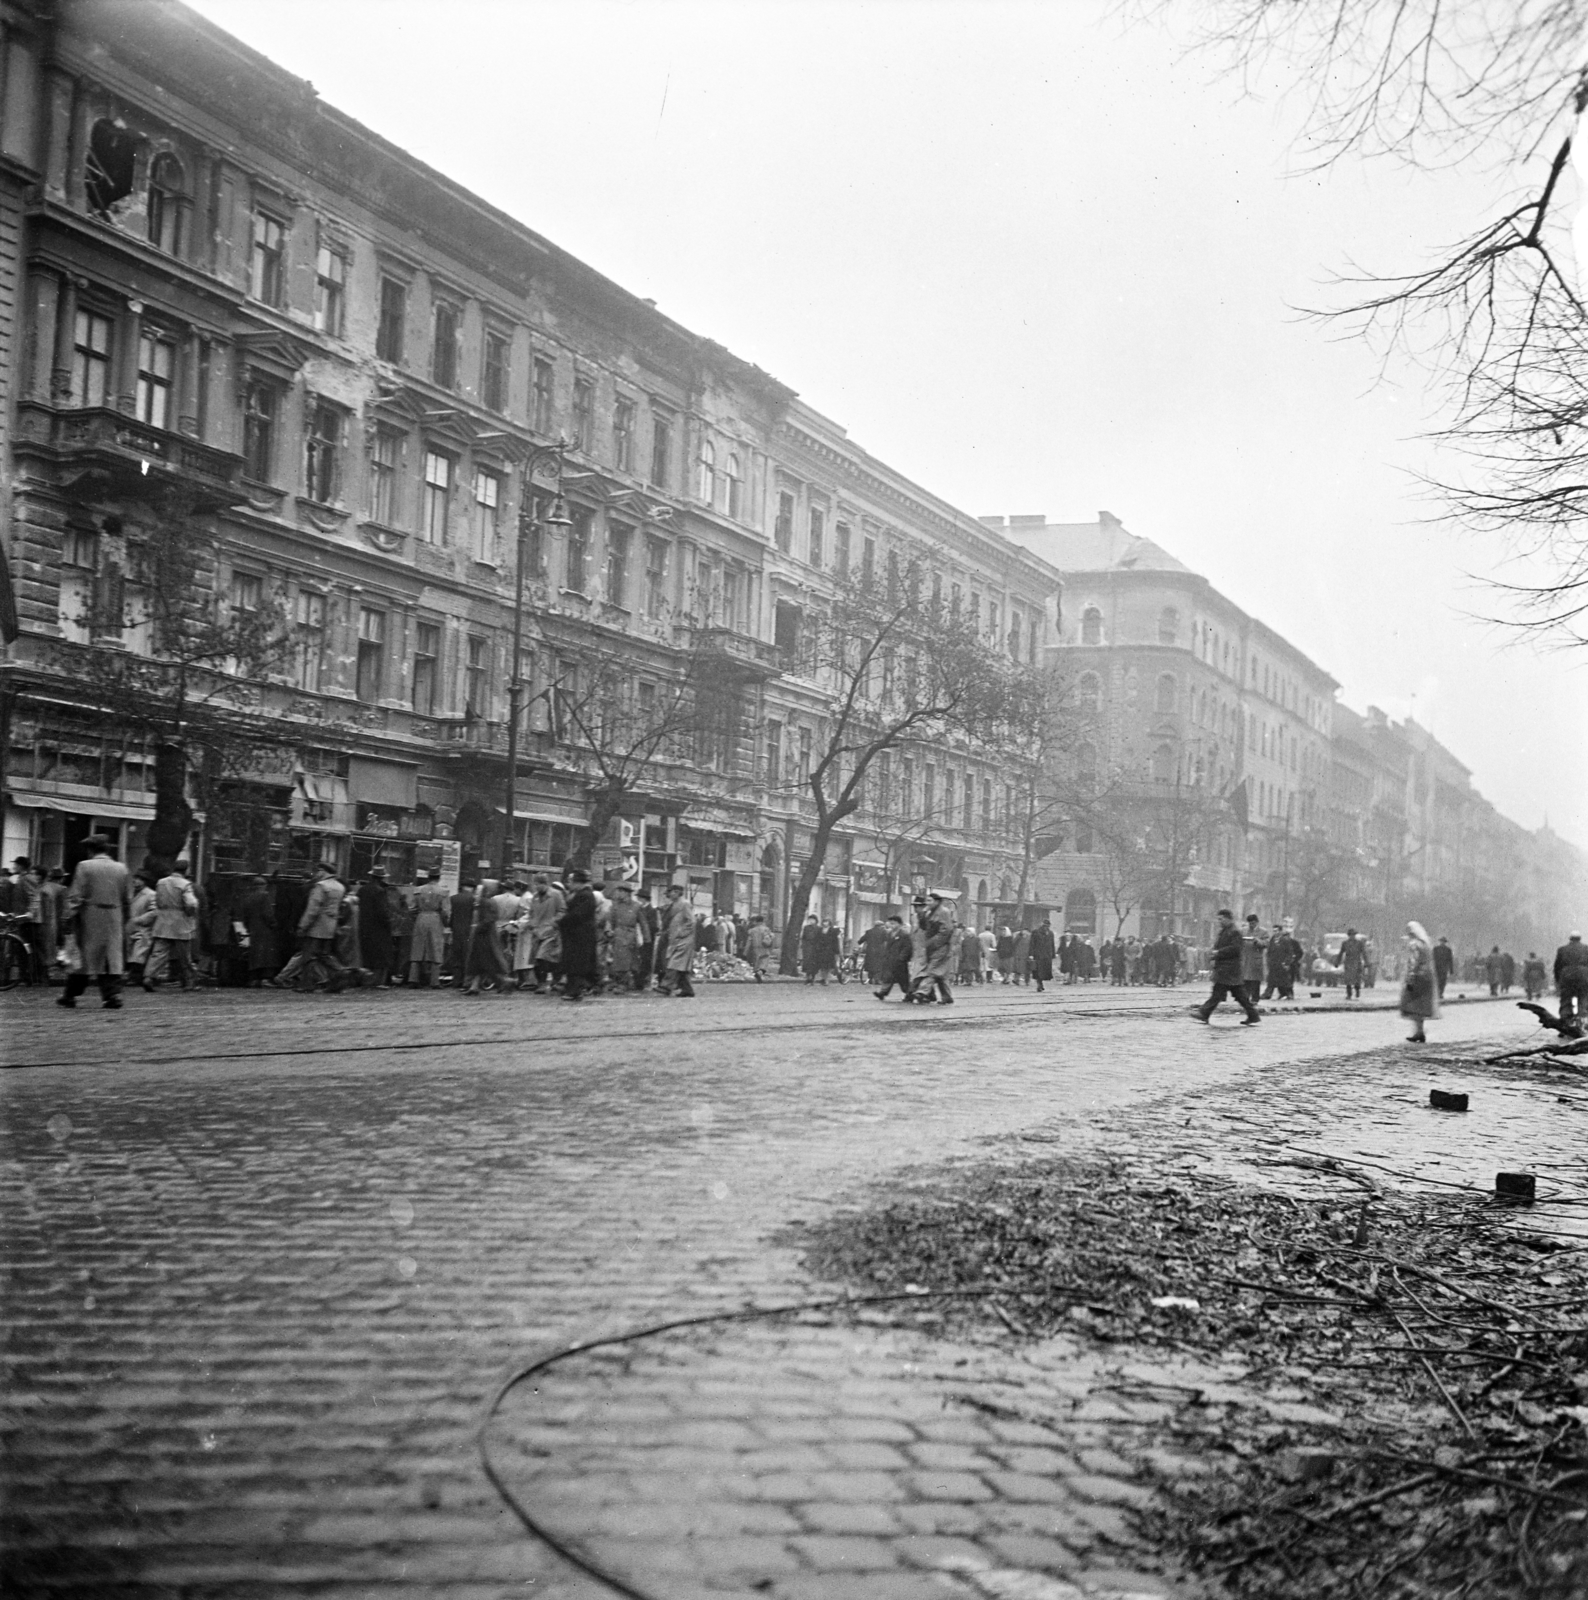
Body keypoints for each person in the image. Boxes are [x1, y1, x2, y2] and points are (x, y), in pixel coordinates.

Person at [58, 835, 130, 1009]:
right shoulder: (121, 868)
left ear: (90, 850)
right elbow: (127, 897)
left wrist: (68, 915)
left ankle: (70, 994)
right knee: (110, 956)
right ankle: (112, 995)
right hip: (114, 915)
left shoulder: (85, 866)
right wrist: (125, 917)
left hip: (90, 916)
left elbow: (76, 895)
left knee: (83, 956)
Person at [294, 862, 354, 992]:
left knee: (308, 956)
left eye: (318, 871)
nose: (316, 874)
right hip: (330, 927)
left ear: (322, 872)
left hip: (316, 927)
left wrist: (303, 926)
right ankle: (341, 971)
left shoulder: (320, 887)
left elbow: (312, 909)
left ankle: (306, 985)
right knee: (325, 954)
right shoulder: (340, 887)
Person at [1194, 909, 1261, 1024]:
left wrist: (1218, 953)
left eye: (1221, 919)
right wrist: (1214, 955)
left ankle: (1204, 1013)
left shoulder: (1234, 932)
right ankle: (1253, 1015)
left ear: (1228, 918)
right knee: (1240, 996)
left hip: (1229, 969)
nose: (1219, 921)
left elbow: (1235, 949)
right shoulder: (1226, 931)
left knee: (1218, 993)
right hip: (1226, 969)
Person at [144, 859, 199, 991]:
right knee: (184, 954)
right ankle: (189, 980)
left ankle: (149, 977)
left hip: (163, 921)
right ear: (185, 870)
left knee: (158, 952)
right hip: (180, 922)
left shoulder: (161, 882)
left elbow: (157, 900)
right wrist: (190, 913)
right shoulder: (185, 884)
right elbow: (191, 904)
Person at [557, 869, 600, 1001]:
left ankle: (575, 990)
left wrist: (561, 921)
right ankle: (573, 988)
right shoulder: (580, 894)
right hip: (576, 935)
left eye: (571, 881)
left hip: (580, 935)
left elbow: (578, 914)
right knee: (573, 962)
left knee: (577, 963)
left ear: (578, 882)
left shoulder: (585, 895)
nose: (569, 884)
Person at [909, 892, 957, 1005]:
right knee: (939, 974)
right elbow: (925, 927)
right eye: (927, 901)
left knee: (932, 970)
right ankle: (947, 997)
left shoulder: (943, 912)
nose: (927, 903)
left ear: (937, 901)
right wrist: (922, 916)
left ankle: (922, 992)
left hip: (941, 946)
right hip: (932, 947)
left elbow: (946, 930)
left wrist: (934, 942)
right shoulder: (930, 912)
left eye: (930, 901)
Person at [521, 873, 565, 992]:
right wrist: (530, 924)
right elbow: (531, 913)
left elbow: (562, 911)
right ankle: (542, 983)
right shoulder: (535, 897)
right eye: (535, 884)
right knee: (537, 960)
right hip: (537, 932)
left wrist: (554, 923)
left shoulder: (556, 895)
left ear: (546, 884)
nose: (537, 887)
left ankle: (553, 981)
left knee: (544, 957)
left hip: (551, 933)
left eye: (539, 884)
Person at [1401, 920, 1440, 1043]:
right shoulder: (1426, 944)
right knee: (1421, 1005)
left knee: (1413, 1004)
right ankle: (1420, 1031)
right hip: (1427, 977)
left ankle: (1418, 1032)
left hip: (1417, 976)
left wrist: (1410, 978)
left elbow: (1414, 961)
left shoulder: (1414, 944)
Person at [408, 869, 448, 987]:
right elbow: (445, 911)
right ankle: (434, 981)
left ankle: (413, 979)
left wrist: (417, 918)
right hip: (435, 918)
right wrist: (446, 923)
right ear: (438, 877)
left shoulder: (418, 890)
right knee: (436, 948)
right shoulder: (443, 891)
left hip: (421, 918)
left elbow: (411, 909)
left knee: (418, 948)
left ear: (428, 877)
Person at [357, 867, 396, 987]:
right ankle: (378, 981)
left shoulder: (362, 890)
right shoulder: (380, 891)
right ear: (381, 878)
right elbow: (382, 912)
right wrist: (389, 923)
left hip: (364, 926)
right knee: (381, 955)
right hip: (379, 928)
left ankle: (366, 980)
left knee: (367, 954)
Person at [236, 874, 279, 986]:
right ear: (262, 886)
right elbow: (267, 913)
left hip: (252, 929)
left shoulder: (247, 897)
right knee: (266, 955)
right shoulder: (264, 896)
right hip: (265, 930)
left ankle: (253, 979)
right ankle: (265, 979)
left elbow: (243, 915)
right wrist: (274, 924)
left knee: (254, 955)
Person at [605, 882, 644, 991]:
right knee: (618, 960)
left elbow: (643, 922)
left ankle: (627, 983)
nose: (618, 893)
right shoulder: (615, 906)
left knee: (629, 961)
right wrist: (608, 931)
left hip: (630, 935)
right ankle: (620, 982)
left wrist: (647, 938)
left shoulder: (636, 906)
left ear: (627, 893)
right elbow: (610, 920)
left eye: (621, 891)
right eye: (618, 891)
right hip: (618, 935)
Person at [661, 884, 697, 997]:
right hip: (677, 939)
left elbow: (692, 921)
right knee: (681, 966)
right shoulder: (674, 904)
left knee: (674, 962)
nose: (668, 894)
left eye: (670, 892)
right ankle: (687, 989)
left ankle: (666, 986)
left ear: (676, 892)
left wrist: (682, 933)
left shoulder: (685, 904)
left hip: (684, 940)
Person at [873, 915, 916, 1000]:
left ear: (900, 924)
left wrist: (902, 958)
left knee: (903, 980)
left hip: (900, 961)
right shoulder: (889, 934)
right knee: (888, 978)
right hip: (890, 960)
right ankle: (882, 992)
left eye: (894, 924)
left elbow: (907, 947)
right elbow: (887, 946)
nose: (892, 926)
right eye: (890, 923)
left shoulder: (904, 934)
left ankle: (909, 993)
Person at [1554, 931, 1588, 1030]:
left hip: (1567, 976)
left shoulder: (1562, 950)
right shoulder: (1586, 949)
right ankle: (1582, 1022)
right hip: (1583, 976)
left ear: (1570, 939)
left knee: (1566, 1000)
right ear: (1580, 938)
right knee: (1583, 999)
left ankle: (1565, 1024)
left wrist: (1558, 980)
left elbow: (1557, 966)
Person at [445, 880, 476, 987]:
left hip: (456, 931)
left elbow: (450, 915)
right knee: (467, 956)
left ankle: (456, 980)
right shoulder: (473, 899)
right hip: (468, 931)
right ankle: (466, 981)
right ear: (471, 888)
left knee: (456, 955)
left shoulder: (453, 898)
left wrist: (450, 926)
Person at [1239, 914, 1267, 1010]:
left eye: (1253, 923)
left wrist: (1258, 941)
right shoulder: (1243, 931)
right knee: (1245, 979)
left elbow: (1266, 943)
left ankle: (1255, 998)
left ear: (1257, 922)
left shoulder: (1263, 932)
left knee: (1255, 980)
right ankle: (1245, 998)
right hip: (1245, 958)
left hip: (1256, 958)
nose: (1251, 925)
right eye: (1250, 923)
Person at [745, 915, 776, 980]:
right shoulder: (766, 929)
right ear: (762, 921)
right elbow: (771, 937)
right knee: (764, 962)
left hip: (755, 948)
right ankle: (760, 972)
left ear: (756, 921)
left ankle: (757, 972)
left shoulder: (752, 930)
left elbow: (749, 941)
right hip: (764, 947)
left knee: (756, 962)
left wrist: (746, 950)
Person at [1340, 927, 1367, 1000]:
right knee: (1348, 980)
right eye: (1351, 935)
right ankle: (1349, 994)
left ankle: (1357, 990)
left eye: (1354, 935)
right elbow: (1341, 953)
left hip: (1357, 962)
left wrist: (1366, 962)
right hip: (1348, 963)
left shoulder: (1359, 943)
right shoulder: (1345, 943)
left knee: (1357, 979)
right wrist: (1337, 962)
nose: (1352, 936)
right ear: (1349, 935)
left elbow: (1364, 953)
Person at [1029, 918, 1055, 993]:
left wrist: (1053, 954)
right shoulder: (1036, 932)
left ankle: (1040, 983)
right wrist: (1031, 954)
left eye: (1047, 926)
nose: (1046, 927)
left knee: (1044, 971)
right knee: (1038, 971)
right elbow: (1032, 944)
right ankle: (1039, 984)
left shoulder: (1050, 933)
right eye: (1045, 926)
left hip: (1047, 955)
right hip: (1038, 955)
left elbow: (1052, 944)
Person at [799, 915, 826, 984]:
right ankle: (808, 977)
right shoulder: (806, 928)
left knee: (814, 963)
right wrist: (803, 945)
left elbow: (821, 938)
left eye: (812, 920)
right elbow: (804, 937)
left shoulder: (819, 928)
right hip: (807, 947)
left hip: (815, 947)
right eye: (810, 919)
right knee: (807, 962)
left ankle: (813, 977)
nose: (811, 921)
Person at [1433, 935, 1454, 1000]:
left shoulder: (1448, 950)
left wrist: (1451, 970)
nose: (1442, 943)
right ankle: (1438, 993)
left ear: (1445, 942)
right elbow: (1432, 959)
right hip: (1437, 968)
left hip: (1444, 968)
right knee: (1437, 981)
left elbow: (1450, 960)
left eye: (1443, 942)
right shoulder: (1435, 949)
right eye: (1441, 941)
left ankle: (1440, 993)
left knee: (1443, 981)